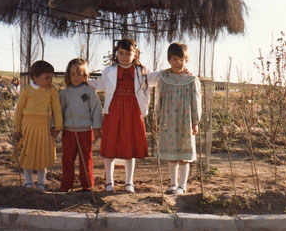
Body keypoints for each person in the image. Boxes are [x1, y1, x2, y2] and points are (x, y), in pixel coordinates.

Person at [88, 38, 158, 193]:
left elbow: (156, 79)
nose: (124, 56)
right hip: (114, 112)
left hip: (133, 112)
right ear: (116, 54)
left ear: (135, 54)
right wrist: (83, 79)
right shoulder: (109, 71)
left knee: (129, 147)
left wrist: (174, 71)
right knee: (110, 146)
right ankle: (109, 182)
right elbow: (99, 84)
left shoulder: (142, 71)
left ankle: (129, 182)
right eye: (121, 53)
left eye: (128, 53)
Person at [155, 43, 202, 195]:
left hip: (185, 120)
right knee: (172, 155)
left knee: (184, 156)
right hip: (169, 120)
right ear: (169, 60)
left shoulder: (191, 80)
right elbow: (158, 100)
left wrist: (195, 122)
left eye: (181, 60)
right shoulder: (164, 78)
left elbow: (196, 102)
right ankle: (173, 184)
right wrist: (157, 119)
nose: (178, 63)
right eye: (174, 59)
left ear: (186, 60)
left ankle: (182, 185)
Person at [13, 60, 63, 190]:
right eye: (47, 77)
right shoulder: (27, 90)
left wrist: (58, 127)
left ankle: (41, 182)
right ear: (35, 77)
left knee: (43, 155)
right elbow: (19, 110)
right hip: (27, 127)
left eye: (51, 77)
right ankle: (28, 182)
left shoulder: (52, 90)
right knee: (26, 154)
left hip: (45, 128)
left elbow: (57, 109)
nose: (50, 80)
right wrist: (17, 129)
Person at [59, 58, 102, 192]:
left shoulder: (89, 92)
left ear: (85, 75)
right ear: (68, 75)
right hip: (68, 132)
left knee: (86, 159)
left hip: (85, 131)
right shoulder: (64, 93)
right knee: (67, 159)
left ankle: (87, 185)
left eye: (79, 74)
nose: (76, 77)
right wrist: (56, 127)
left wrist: (96, 128)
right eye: (72, 74)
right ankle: (66, 185)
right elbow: (59, 111)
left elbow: (96, 110)